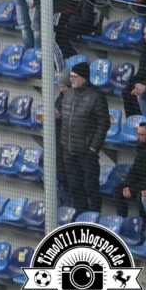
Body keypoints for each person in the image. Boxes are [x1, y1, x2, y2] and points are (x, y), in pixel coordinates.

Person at [57, 61, 109, 214]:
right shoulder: (68, 94)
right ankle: (81, 218)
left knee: (90, 187)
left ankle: (94, 218)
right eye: (71, 76)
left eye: (74, 77)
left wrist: (93, 148)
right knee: (75, 187)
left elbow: (104, 123)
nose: (71, 79)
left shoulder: (96, 96)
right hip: (69, 151)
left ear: (84, 78)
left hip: (87, 153)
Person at [117, 121, 146, 221]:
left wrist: (132, 189)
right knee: (118, 189)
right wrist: (126, 185)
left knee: (142, 195)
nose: (139, 137)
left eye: (142, 135)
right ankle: (121, 221)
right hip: (139, 182)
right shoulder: (140, 147)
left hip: (144, 186)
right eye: (138, 134)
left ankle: (141, 227)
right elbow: (134, 170)